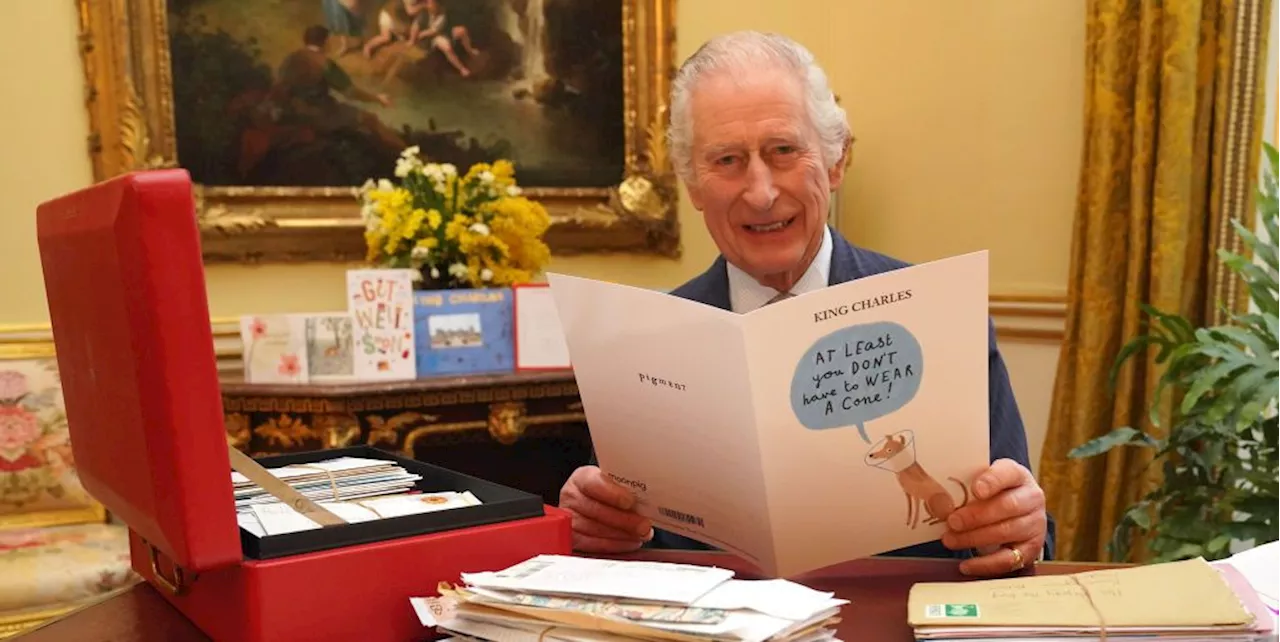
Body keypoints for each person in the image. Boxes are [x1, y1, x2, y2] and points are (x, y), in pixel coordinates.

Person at [557, 30, 1056, 578]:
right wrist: (588, 524)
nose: (761, 192)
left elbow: (1024, 542)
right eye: (726, 160)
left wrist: (1019, 531)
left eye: (784, 151)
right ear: (693, 186)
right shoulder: (645, 340)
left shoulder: (941, 317)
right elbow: (614, 541)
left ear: (836, 161)